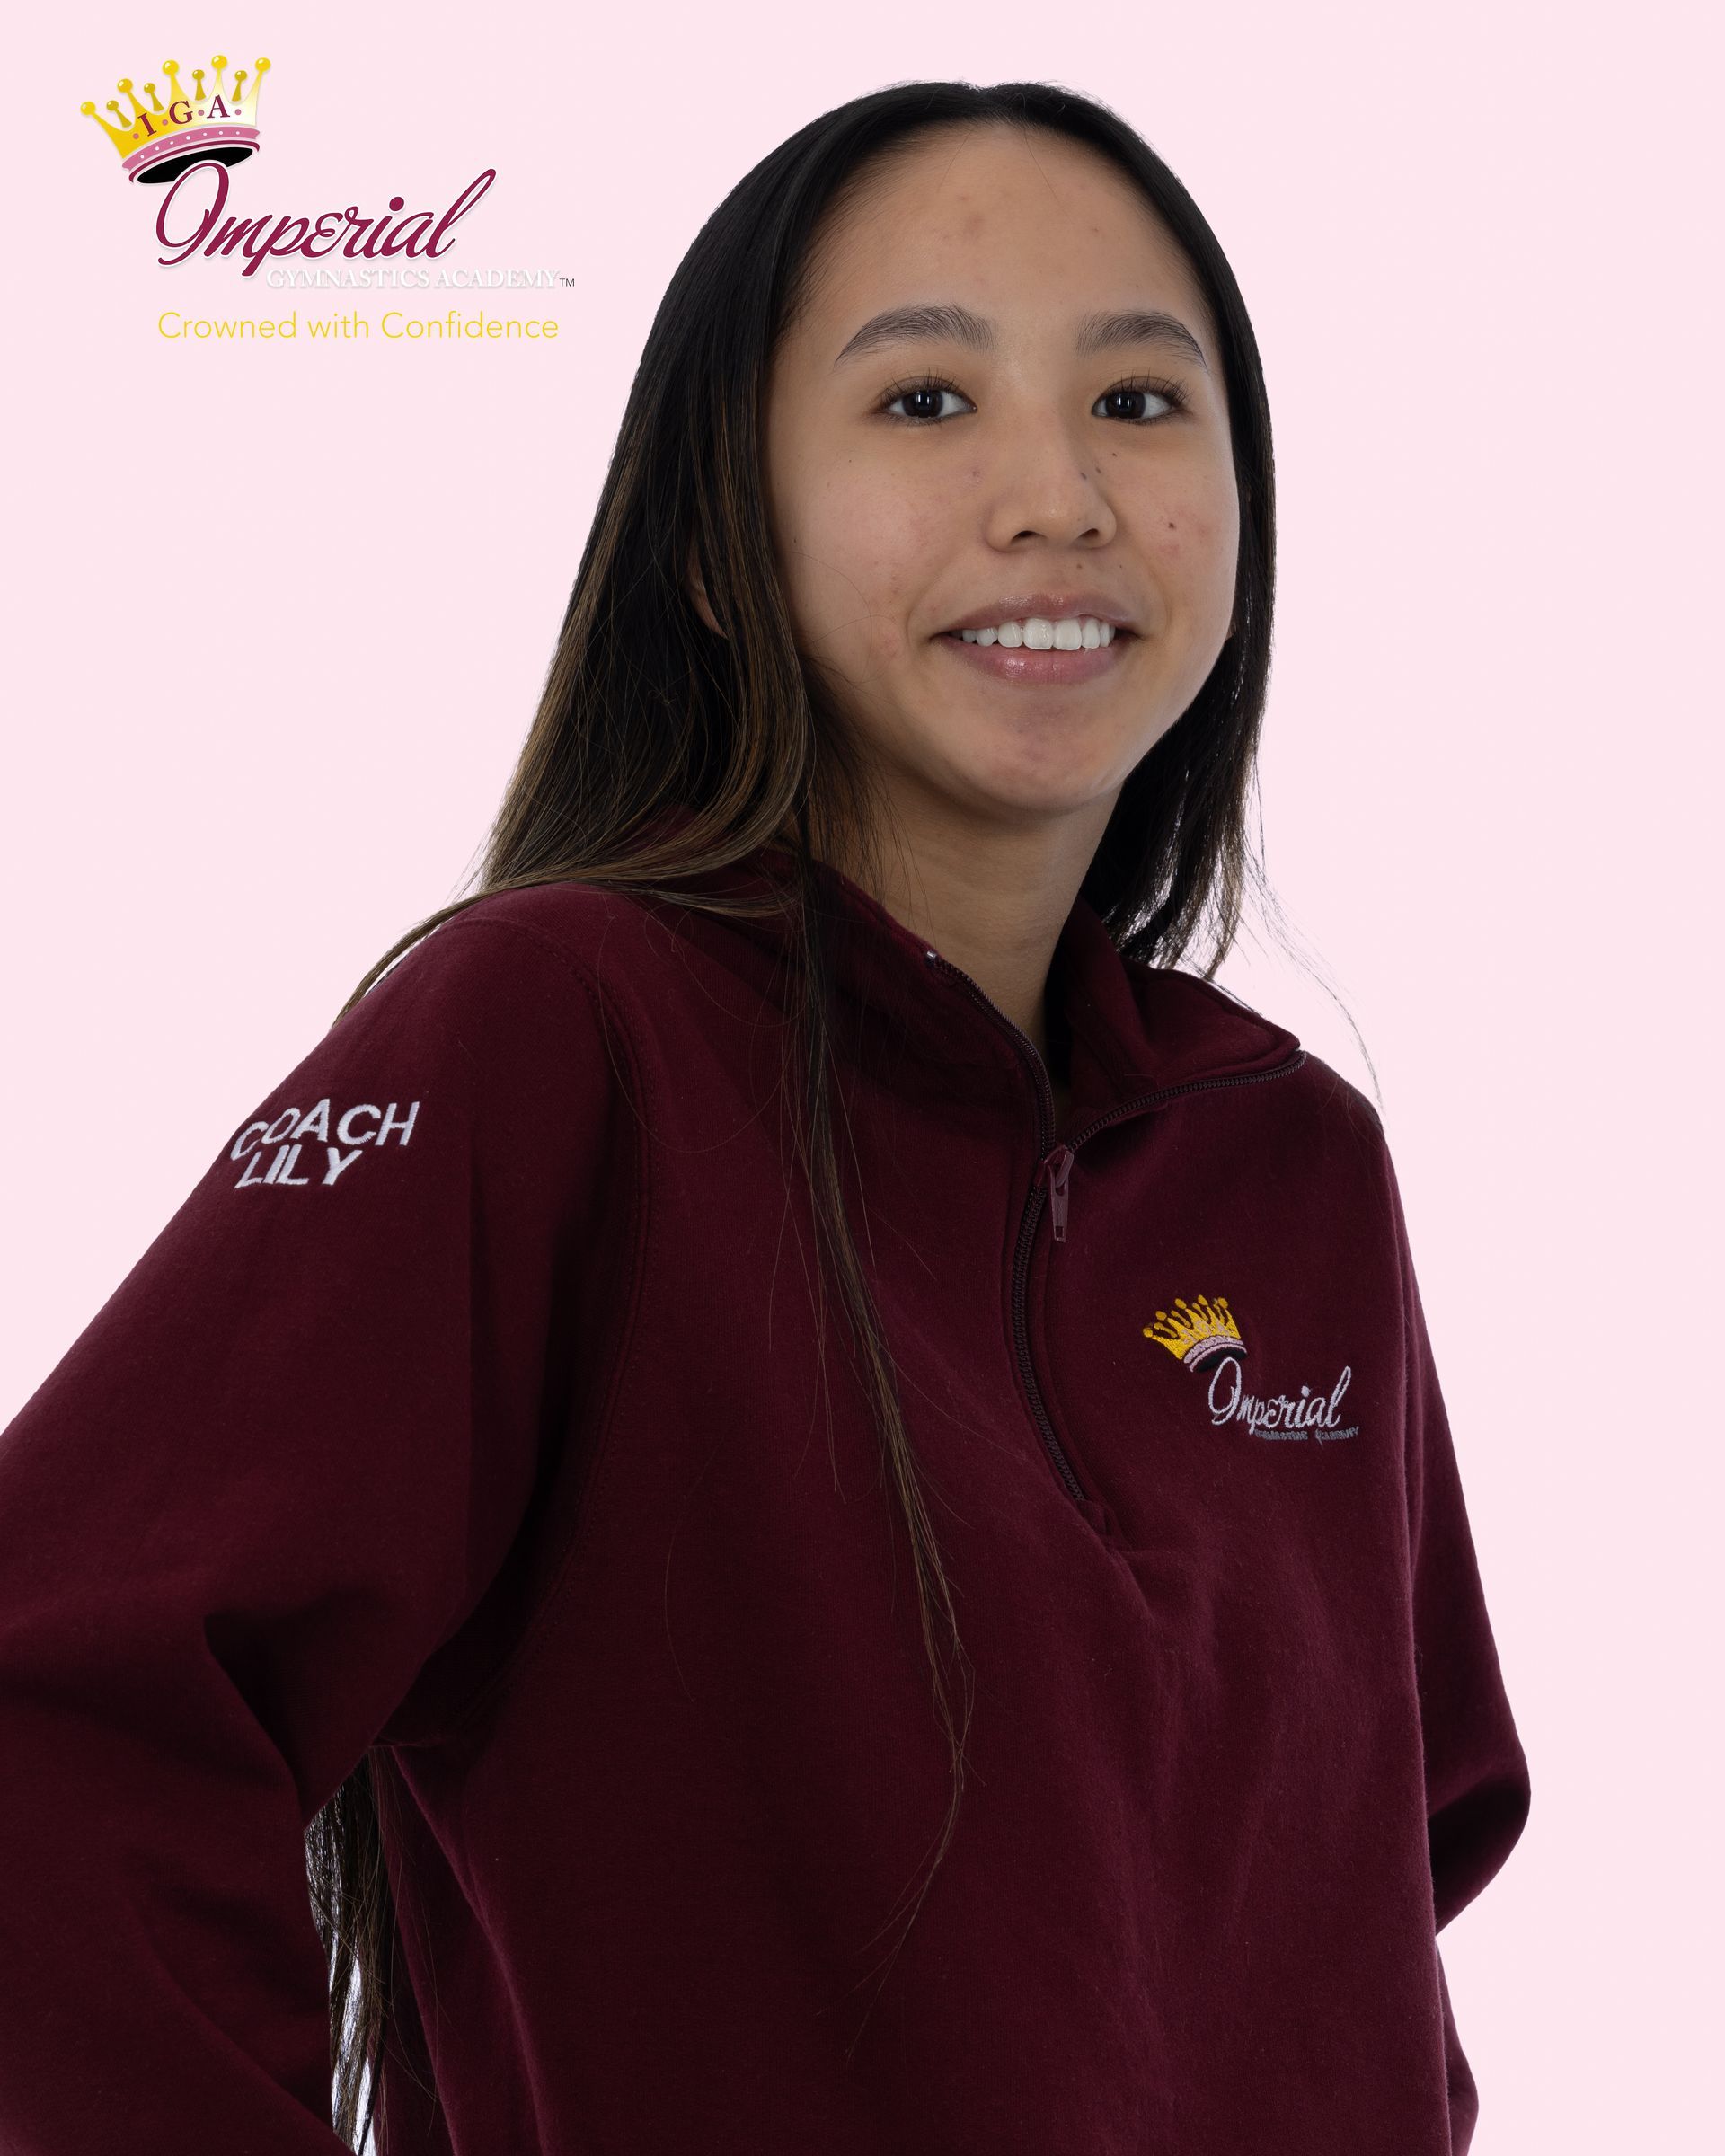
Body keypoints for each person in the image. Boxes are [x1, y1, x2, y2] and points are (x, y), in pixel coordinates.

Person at [0, 78, 1530, 2156]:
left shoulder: (1295, 1168)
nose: (1060, 495)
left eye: (1145, 406)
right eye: (923, 404)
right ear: (721, 542)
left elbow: (1357, 1907)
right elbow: (57, 1707)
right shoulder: (549, 1034)